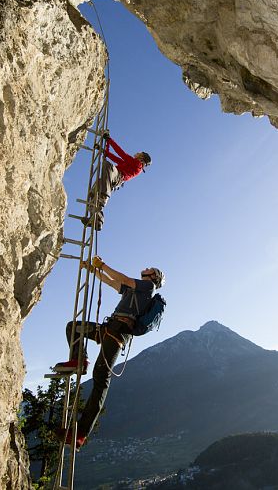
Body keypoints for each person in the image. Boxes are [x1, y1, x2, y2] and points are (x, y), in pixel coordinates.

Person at [54, 255, 165, 448]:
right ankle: (79, 361)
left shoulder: (148, 287)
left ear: (154, 276)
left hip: (119, 332)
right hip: (110, 328)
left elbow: (122, 278)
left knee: (101, 377)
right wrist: (92, 269)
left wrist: (102, 265)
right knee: (74, 327)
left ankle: (81, 433)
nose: (146, 266)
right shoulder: (134, 289)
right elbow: (112, 282)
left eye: (150, 268)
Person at [84, 133, 151, 230]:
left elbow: (121, 153)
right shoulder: (132, 163)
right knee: (93, 191)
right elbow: (116, 158)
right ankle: (96, 219)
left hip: (117, 177)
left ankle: (102, 201)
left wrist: (109, 140)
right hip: (113, 177)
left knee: (107, 166)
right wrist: (104, 148)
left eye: (139, 153)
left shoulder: (137, 164)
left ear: (142, 157)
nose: (136, 153)